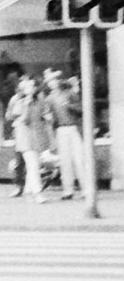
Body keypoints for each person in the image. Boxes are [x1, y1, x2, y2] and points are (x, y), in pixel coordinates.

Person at [44, 68, 89, 201]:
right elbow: (49, 121)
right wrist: (52, 138)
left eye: (55, 80)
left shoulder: (69, 94)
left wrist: (70, 106)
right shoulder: (50, 99)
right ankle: (68, 190)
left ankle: (85, 189)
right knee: (65, 161)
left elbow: (81, 109)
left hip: (72, 127)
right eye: (50, 81)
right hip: (61, 129)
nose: (53, 83)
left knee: (79, 159)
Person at [9, 76, 52, 203]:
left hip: (38, 138)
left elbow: (47, 117)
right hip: (25, 139)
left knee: (33, 165)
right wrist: (26, 106)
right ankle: (38, 193)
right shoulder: (19, 103)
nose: (31, 89)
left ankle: (29, 191)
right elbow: (23, 120)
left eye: (33, 86)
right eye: (27, 87)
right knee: (33, 165)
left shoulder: (40, 102)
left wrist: (48, 117)